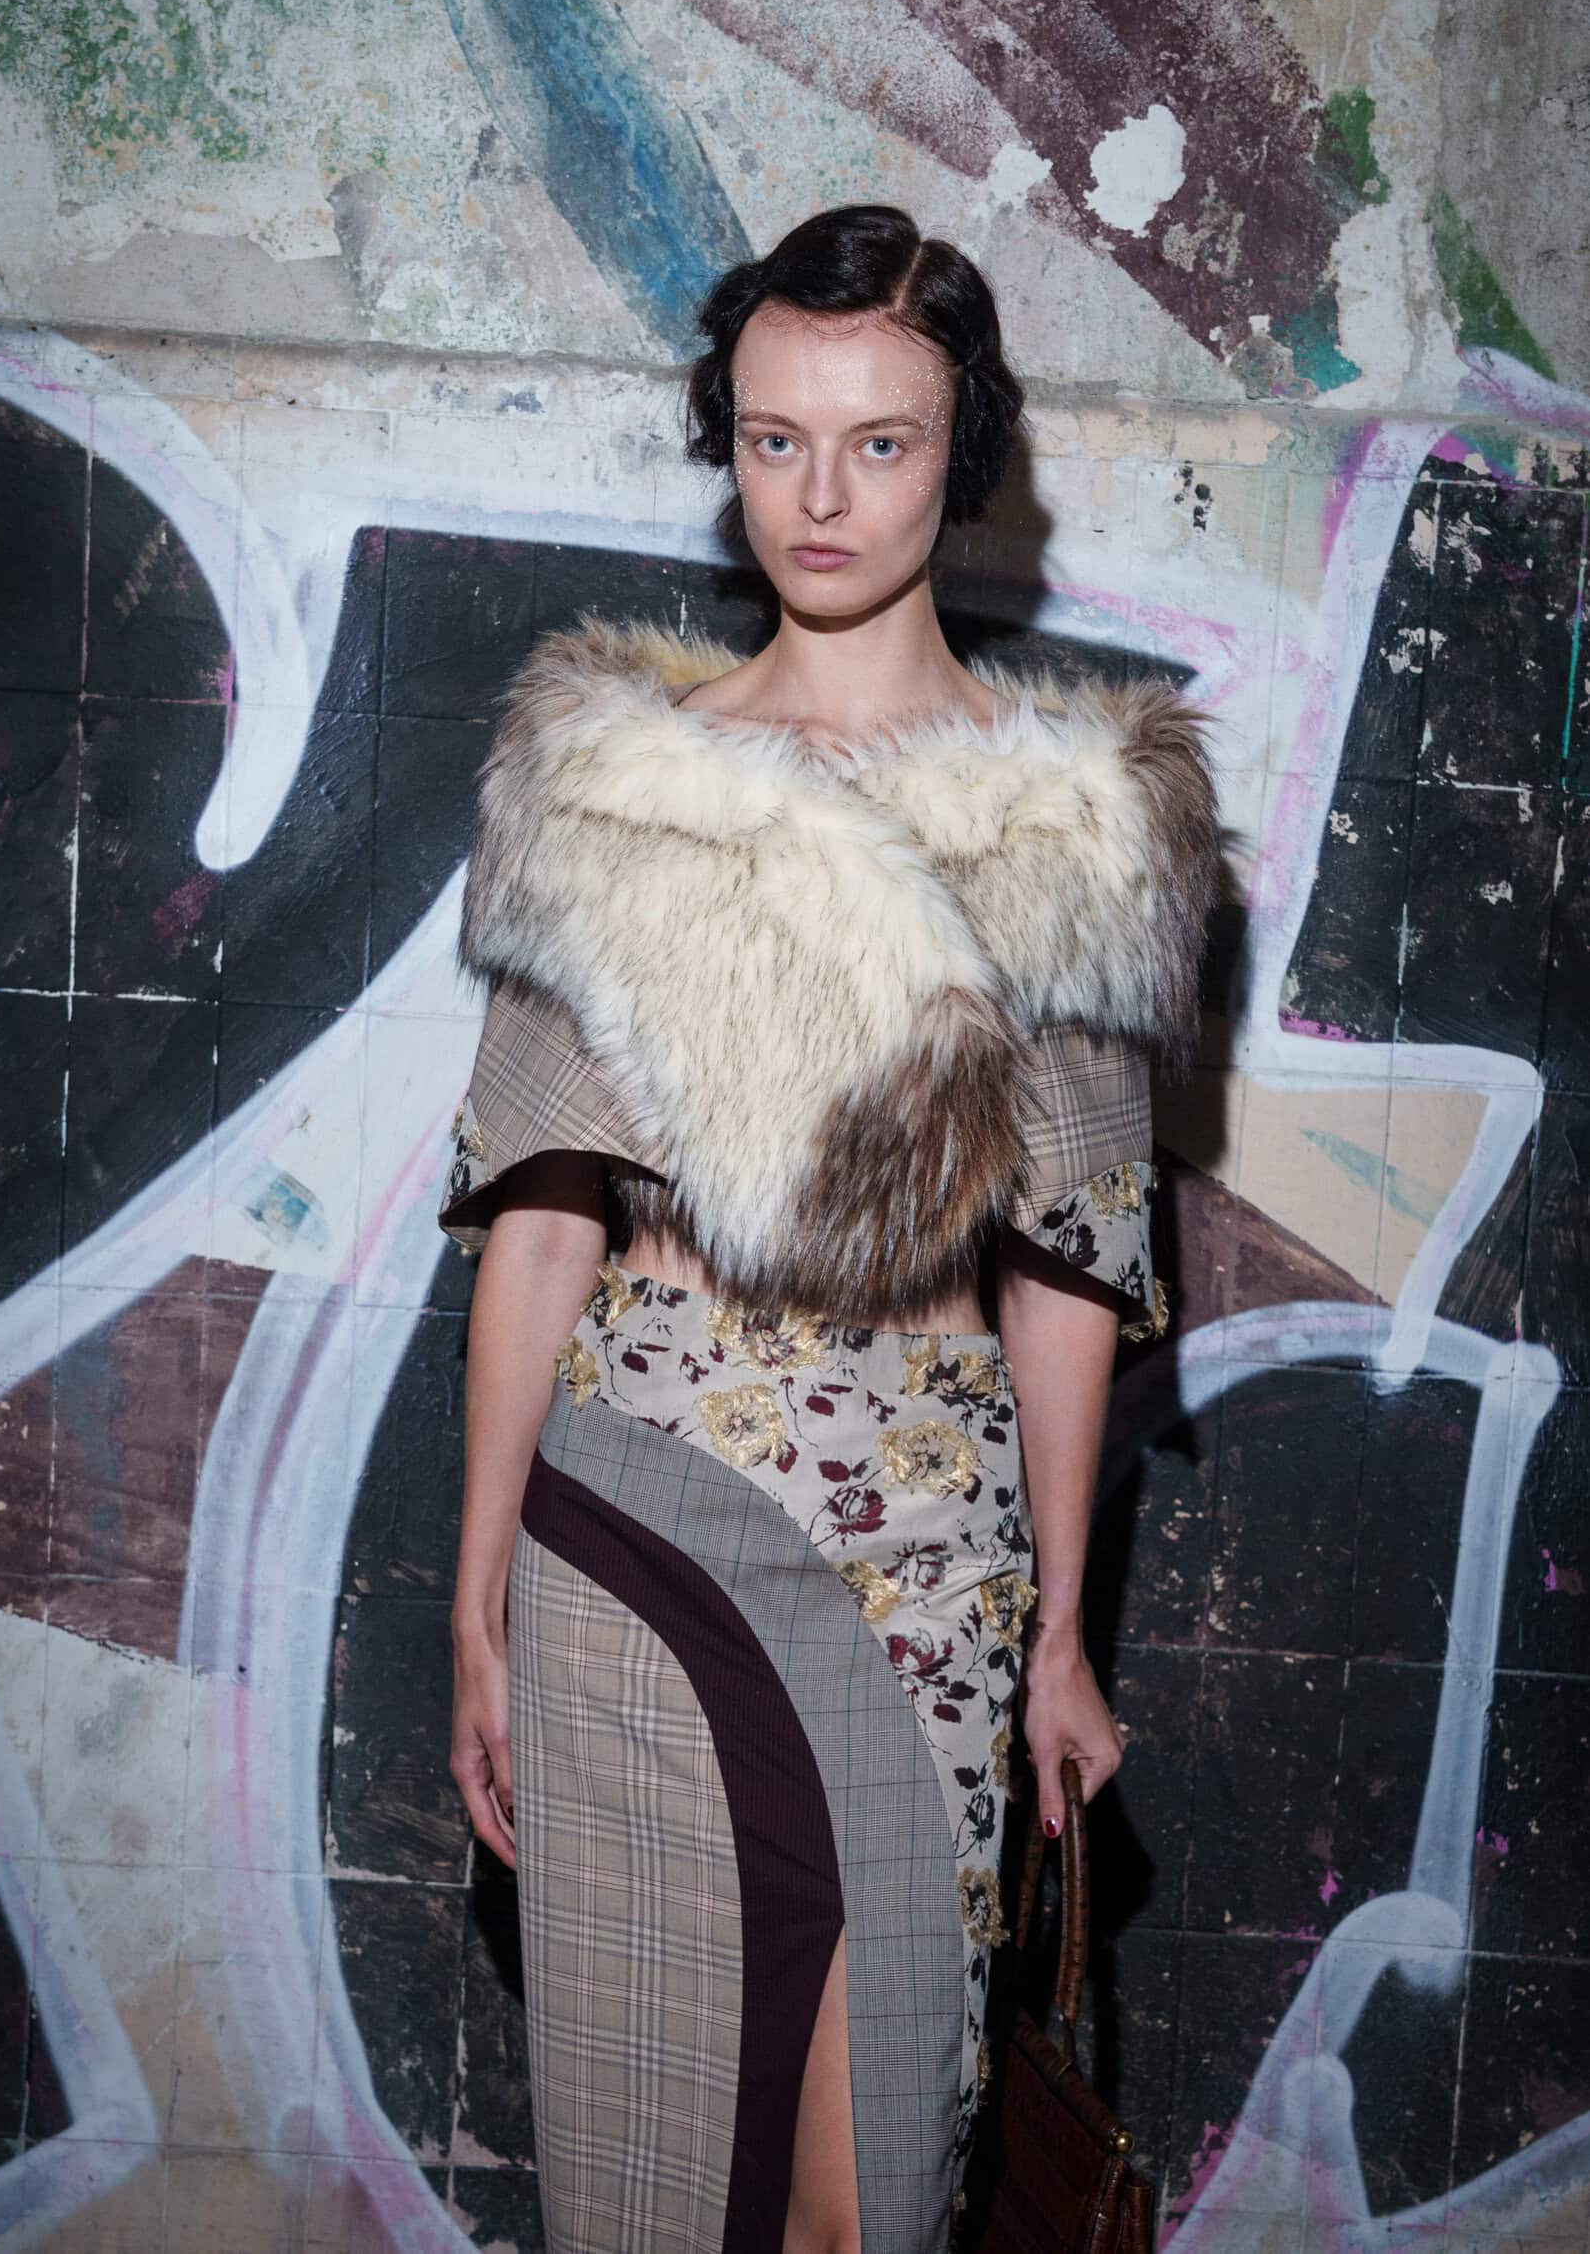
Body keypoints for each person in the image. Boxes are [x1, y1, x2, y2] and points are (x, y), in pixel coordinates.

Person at [437, 203, 1218, 2254]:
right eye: (775, 438)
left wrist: (1057, 1623)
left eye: (878, 442)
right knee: (647, 2183)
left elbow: (1064, 1266)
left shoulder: (1074, 816)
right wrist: (476, 1595)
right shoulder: (619, 780)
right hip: (628, 1533)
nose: (819, 493)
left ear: (961, 457)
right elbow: (539, 1226)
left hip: (924, 1562)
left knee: (867, 2195)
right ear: (728, 444)